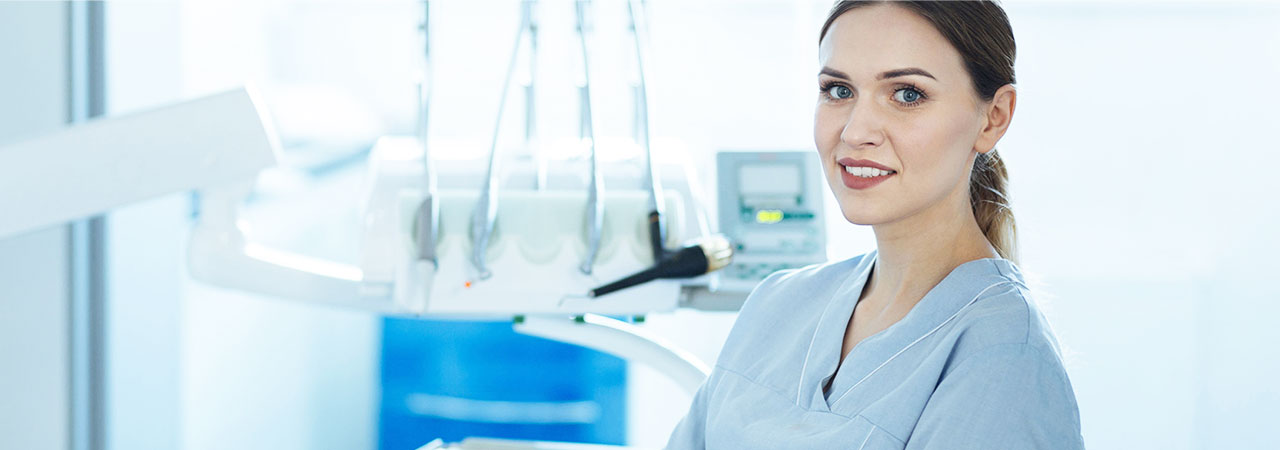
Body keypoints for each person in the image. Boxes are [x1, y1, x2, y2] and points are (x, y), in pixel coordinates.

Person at [666, 1, 1084, 448]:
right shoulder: (778, 303)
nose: (854, 131)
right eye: (839, 90)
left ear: (994, 116)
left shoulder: (1004, 357)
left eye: (907, 94)